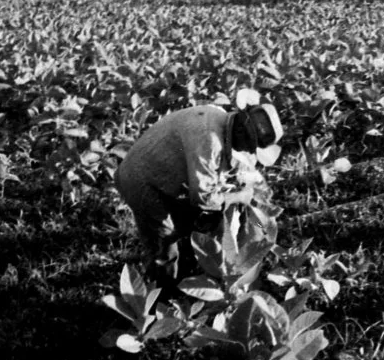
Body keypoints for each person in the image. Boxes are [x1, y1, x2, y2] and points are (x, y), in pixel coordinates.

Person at [115, 90, 283, 285]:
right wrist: (240, 196)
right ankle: (162, 298)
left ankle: (189, 270)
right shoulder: (208, 140)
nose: (248, 153)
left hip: (168, 176)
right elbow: (204, 198)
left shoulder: (225, 121)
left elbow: (249, 176)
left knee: (194, 223)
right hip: (141, 180)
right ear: (240, 132)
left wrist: (263, 227)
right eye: (249, 147)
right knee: (164, 242)